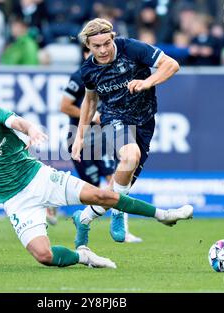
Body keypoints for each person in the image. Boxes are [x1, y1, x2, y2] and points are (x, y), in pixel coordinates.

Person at [0, 84, 193, 269]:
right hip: (14, 200)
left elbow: (16, 121)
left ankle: (163, 214)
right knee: (44, 256)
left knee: (103, 194)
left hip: (38, 177)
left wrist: (32, 131)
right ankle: (84, 256)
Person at [71, 18, 189, 248]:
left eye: (106, 43)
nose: (103, 50)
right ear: (88, 46)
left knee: (116, 186)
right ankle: (118, 212)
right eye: (97, 46)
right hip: (114, 118)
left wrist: (148, 82)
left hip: (145, 122)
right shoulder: (88, 70)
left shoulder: (132, 48)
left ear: (112, 37)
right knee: (130, 156)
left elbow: (171, 65)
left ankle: (83, 218)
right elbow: (90, 101)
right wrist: (79, 137)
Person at [61, 44, 142, 243]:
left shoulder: (112, 73)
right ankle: (55, 204)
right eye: (93, 50)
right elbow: (64, 106)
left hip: (102, 137)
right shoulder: (80, 76)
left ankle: (121, 223)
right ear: (85, 53)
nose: (100, 54)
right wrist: (92, 116)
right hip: (81, 138)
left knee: (114, 179)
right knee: (91, 189)